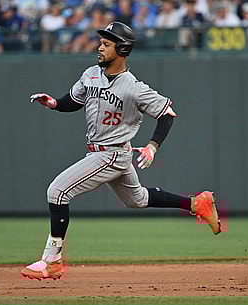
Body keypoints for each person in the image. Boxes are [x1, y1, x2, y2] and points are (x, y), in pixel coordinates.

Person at [20, 21, 221, 281]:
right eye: (101, 42)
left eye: (106, 44)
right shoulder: (91, 74)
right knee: (136, 199)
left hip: (111, 154)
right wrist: (54, 103)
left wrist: (152, 146)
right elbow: (74, 101)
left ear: (122, 48)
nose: (100, 47)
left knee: (57, 191)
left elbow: (167, 114)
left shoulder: (134, 87)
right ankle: (198, 203)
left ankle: (52, 260)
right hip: (102, 152)